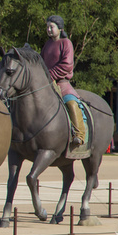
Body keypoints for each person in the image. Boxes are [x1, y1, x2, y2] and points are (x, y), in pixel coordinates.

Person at [42, 15, 86, 145]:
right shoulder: (47, 45)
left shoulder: (66, 43)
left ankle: (79, 134)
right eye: (47, 27)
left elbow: (67, 65)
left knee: (71, 103)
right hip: (46, 84)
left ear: (60, 28)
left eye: (51, 27)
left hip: (62, 84)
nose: (49, 30)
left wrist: (49, 75)